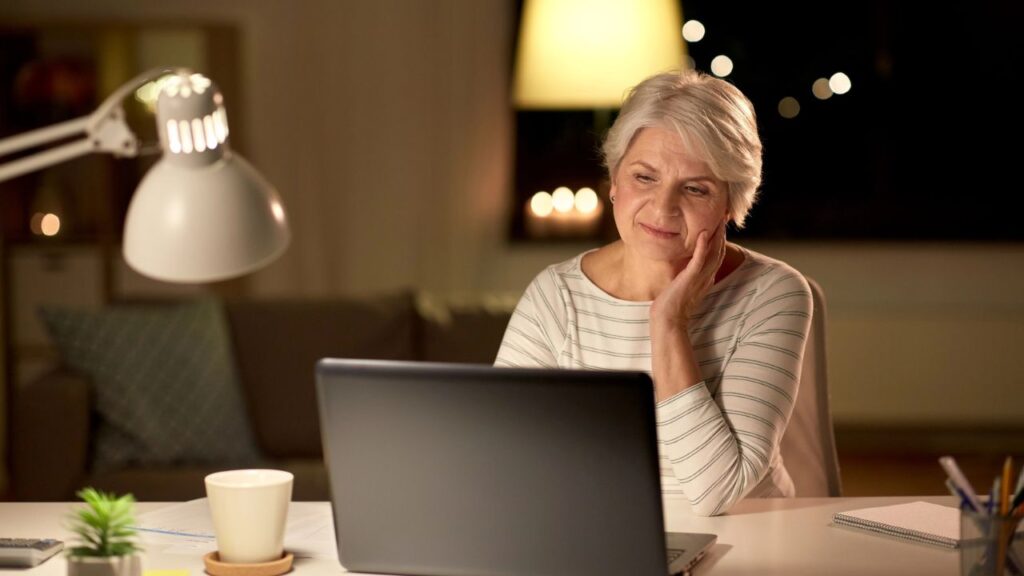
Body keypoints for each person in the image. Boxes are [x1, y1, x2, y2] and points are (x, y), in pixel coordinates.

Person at [495, 70, 812, 517]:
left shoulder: (773, 294)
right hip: (600, 537)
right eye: (645, 177)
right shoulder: (557, 293)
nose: (663, 208)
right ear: (615, 181)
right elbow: (501, 458)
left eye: (695, 188)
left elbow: (713, 490)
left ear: (729, 205)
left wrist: (669, 322)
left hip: (745, 544)